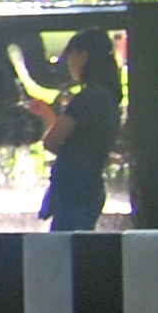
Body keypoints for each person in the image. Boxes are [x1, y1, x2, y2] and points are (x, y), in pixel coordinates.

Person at [24, 26, 122, 231]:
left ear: (83, 56)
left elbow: (52, 141)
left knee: (64, 253)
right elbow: (79, 141)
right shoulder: (107, 96)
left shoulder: (87, 98)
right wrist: (48, 115)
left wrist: (51, 120)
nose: (68, 63)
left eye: (70, 56)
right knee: (77, 250)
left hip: (73, 189)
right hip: (89, 186)